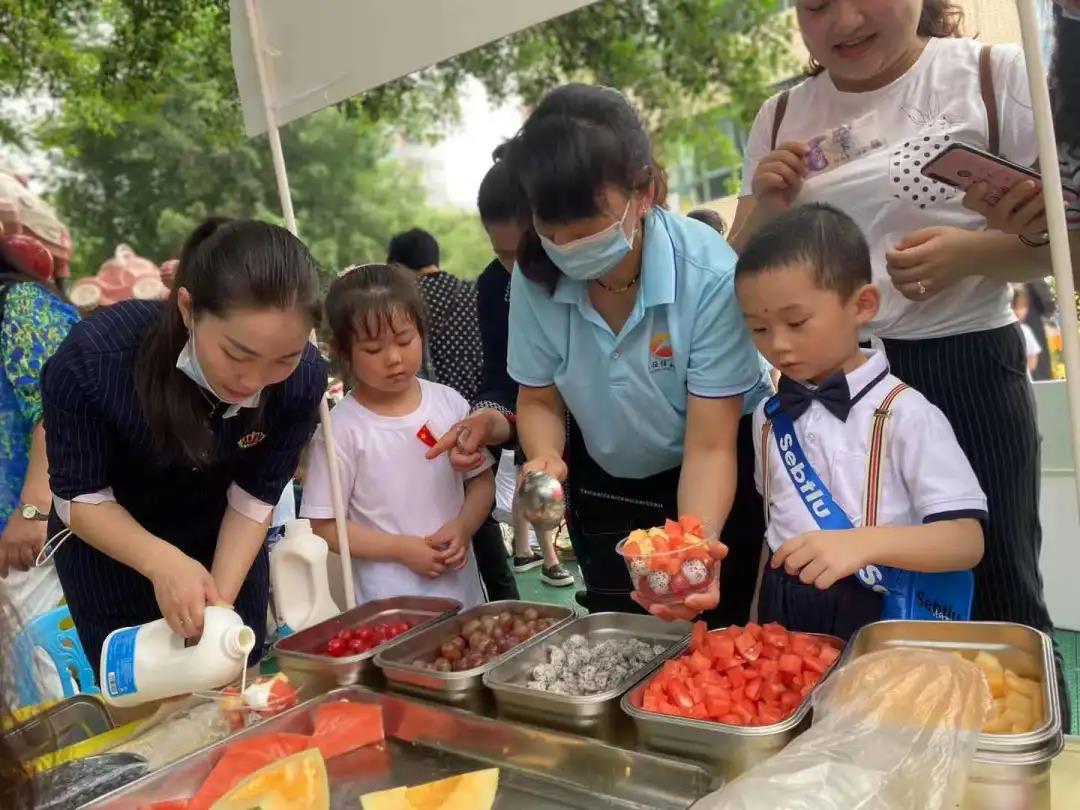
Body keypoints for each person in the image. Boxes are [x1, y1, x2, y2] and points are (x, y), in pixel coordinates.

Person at [731, 0, 1067, 719]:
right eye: (817, 5)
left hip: (964, 364)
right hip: (822, 379)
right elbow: (741, 266)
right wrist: (765, 204)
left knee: (997, 591)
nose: (845, 21)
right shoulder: (781, 117)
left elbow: (1068, 240)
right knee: (842, 599)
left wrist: (978, 254)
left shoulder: (995, 78)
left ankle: (1020, 754)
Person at [501, 83, 772, 622]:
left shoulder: (708, 274)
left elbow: (710, 446)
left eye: (586, 229)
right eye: (551, 230)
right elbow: (539, 397)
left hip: (712, 468)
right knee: (624, 634)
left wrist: (689, 550)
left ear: (643, 192)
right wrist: (545, 453)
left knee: (712, 625)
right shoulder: (534, 277)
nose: (567, 248)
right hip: (607, 480)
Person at [41, 218, 327, 668]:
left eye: (283, 360)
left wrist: (220, 605)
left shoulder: (304, 380)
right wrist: (161, 562)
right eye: (237, 354)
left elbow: (254, 497)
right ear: (188, 308)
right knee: (147, 695)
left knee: (233, 676)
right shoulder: (94, 360)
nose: (253, 381)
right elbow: (78, 495)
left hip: (225, 540)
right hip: (114, 548)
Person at [738, 203, 985, 639]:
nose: (778, 345)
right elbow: (772, 525)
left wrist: (864, 542)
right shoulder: (767, 416)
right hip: (784, 607)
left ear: (862, 305)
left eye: (796, 322)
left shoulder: (906, 413)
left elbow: (966, 541)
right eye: (758, 329)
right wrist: (756, 616)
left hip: (877, 605)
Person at [300, 264, 493, 608]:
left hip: (464, 597)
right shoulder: (341, 430)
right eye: (373, 349)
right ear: (343, 352)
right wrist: (402, 550)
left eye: (404, 340)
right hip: (390, 608)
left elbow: (481, 481)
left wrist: (464, 526)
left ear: (421, 331)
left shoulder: (449, 403)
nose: (393, 358)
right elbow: (324, 525)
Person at [430, 153, 574, 588]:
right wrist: (486, 418)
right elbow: (504, 382)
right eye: (504, 255)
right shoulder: (495, 286)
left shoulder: (589, 276)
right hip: (564, 469)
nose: (520, 272)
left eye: (529, 251)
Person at [0, 241, 79, 701]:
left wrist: (33, 511)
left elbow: (61, 408)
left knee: (46, 690)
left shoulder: (21, 305)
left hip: (31, 544)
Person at [387, 228, 483, 402]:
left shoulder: (404, 302)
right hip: (483, 404)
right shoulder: (472, 292)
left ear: (397, 267)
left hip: (435, 406)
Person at [1012, 286, 1043, 377]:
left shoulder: (1026, 331)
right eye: (1014, 307)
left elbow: (1032, 359)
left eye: (1022, 307)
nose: (1018, 312)